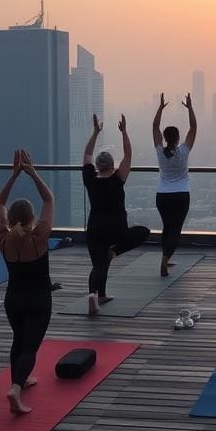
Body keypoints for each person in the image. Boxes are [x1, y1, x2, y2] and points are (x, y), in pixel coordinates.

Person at [0, 149, 54, 415]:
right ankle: (16, 389)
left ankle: (18, 380)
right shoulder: (39, 237)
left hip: (13, 300)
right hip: (38, 300)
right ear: (32, 219)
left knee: (18, 340)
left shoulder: (2, 239)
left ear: (10, 220)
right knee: (30, 347)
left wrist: (13, 175)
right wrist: (31, 173)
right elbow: (48, 199)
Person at [82, 114, 150, 314]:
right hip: (117, 231)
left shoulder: (90, 179)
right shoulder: (118, 178)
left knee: (98, 265)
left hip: (95, 229)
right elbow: (128, 155)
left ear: (97, 166)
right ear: (112, 166)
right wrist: (124, 132)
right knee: (142, 232)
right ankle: (113, 256)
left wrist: (95, 132)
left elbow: (87, 154)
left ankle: (95, 296)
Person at [152, 92, 197, 276]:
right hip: (181, 195)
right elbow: (193, 127)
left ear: (165, 138)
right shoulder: (184, 151)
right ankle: (165, 259)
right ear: (178, 138)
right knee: (175, 229)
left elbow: (155, 126)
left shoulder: (160, 151)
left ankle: (166, 257)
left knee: (166, 227)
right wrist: (190, 108)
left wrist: (160, 108)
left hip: (162, 196)